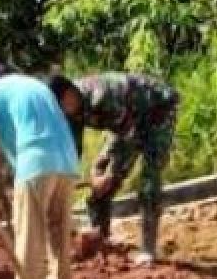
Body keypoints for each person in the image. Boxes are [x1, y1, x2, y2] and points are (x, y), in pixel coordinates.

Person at [0, 70, 81, 279]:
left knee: (29, 237)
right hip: (67, 159)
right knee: (58, 230)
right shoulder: (30, 85)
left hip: (37, 160)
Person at [48, 72, 180, 265]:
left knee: (148, 181)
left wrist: (111, 174)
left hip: (157, 111)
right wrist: (69, 179)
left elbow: (130, 138)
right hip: (126, 122)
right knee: (97, 191)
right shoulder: (68, 111)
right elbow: (72, 150)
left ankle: (148, 250)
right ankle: (100, 242)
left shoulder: (101, 97)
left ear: (69, 94)